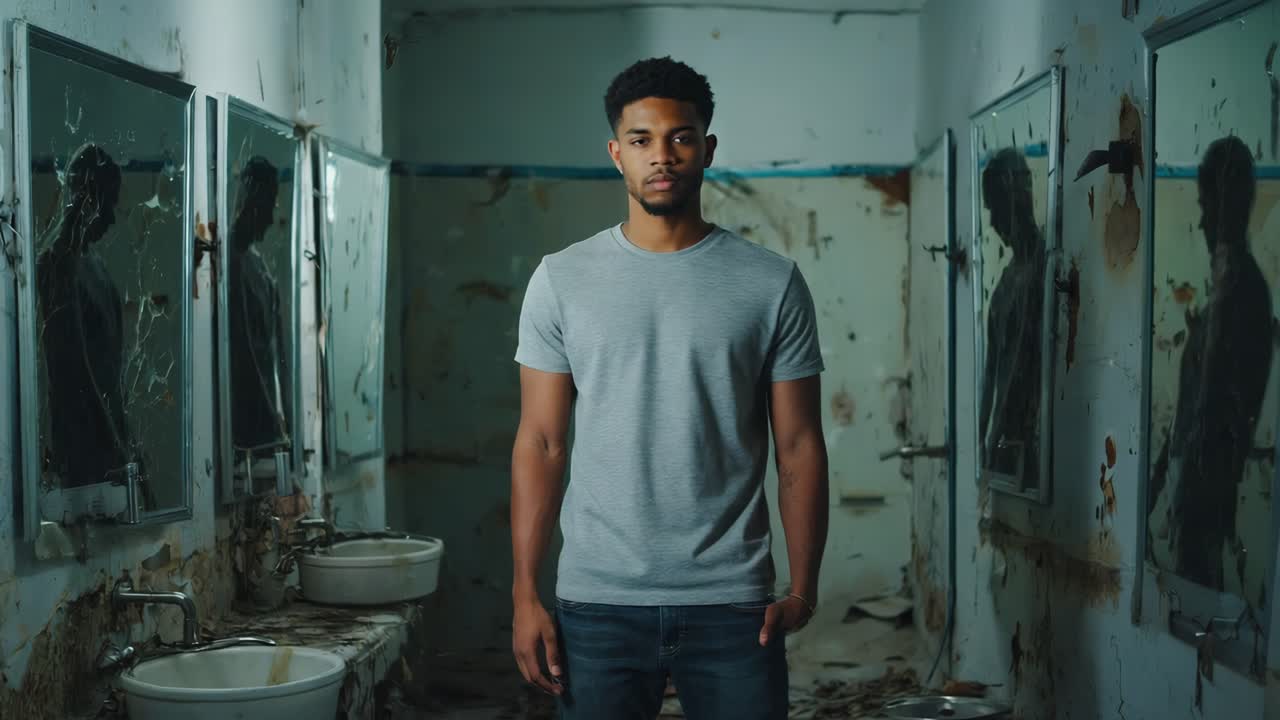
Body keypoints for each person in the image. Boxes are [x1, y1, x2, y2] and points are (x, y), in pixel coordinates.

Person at [510, 57, 830, 719]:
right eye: (641, 140)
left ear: (707, 149)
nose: (663, 156)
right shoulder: (561, 279)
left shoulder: (769, 283)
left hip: (733, 604)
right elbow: (541, 443)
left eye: (680, 137)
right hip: (597, 602)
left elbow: (798, 445)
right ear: (616, 154)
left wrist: (804, 587)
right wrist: (524, 595)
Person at [1155, 136, 1272, 589]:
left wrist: (1191, 486)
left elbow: (1225, 415)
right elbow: (1194, 398)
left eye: (1206, 206)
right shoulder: (1224, 292)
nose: (1201, 221)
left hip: (1208, 494)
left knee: (1200, 600)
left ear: (1228, 204)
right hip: (1193, 489)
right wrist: (1164, 469)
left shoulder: (1245, 296)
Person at [37, 143, 132, 489]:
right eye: (109, 203)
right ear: (87, 197)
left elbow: (109, 374)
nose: (111, 216)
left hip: (109, 442)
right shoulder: (59, 264)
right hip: (84, 455)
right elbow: (76, 372)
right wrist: (119, 450)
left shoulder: (95, 264)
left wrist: (126, 443)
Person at [977, 147, 1046, 490]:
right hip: (1003, 448)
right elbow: (993, 369)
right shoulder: (1006, 284)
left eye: (996, 207)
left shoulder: (1047, 269)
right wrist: (983, 438)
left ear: (1017, 200)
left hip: (1033, 448)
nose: (991, 223)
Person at [228, 155, 290, 453]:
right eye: (270, 204)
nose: (271, 216)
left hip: (267, 427)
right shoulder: (233, 261)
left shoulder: (257, 264)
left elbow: (271, 351)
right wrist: (272, 422)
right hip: (247, 436)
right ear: (254, 202)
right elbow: (244, 353)